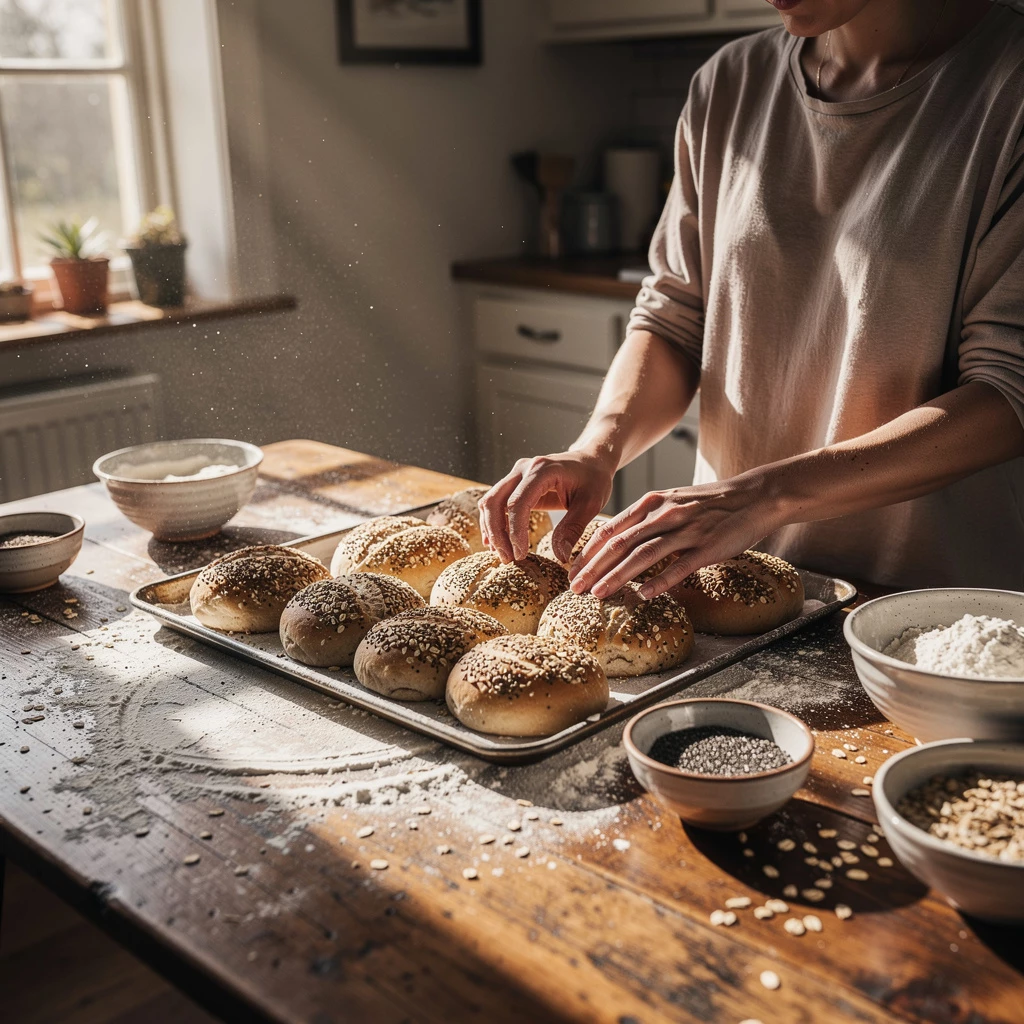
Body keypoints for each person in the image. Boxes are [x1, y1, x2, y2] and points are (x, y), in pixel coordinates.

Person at [479, 0, 1024, 600]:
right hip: (731, 583)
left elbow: (1006, 392)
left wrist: (766, 495)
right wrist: (596, 449)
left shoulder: (1007, 88)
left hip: (931, 612)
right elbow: (676, 316)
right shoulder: (728, 84)